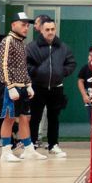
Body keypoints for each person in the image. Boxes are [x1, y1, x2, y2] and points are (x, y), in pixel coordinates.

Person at [26, 17, 77, 158]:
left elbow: (71, 63)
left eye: (53, 29)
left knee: (54, 117)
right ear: (41, 31)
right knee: (35, 117)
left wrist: (62, 72)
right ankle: (31, 145)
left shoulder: (63, 47)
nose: (50, 32)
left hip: (56, 87)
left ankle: (53, 145)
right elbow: (26, 64)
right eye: (47, 29)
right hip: (37, 87)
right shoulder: (31, 47)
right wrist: (37, 72)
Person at [0, 15, 36, 160]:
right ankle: (6, 151)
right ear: (13, 25)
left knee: (25, 118)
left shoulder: (21, 42)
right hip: (12, 87)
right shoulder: (8, 41)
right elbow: (3, 65)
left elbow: (23, 67)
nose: (26, 28)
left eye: (27, 25)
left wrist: (28, 84)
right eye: (23, 24)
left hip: (22, 86)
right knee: (9, 118)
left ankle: (29, 149)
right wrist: (10, 86)